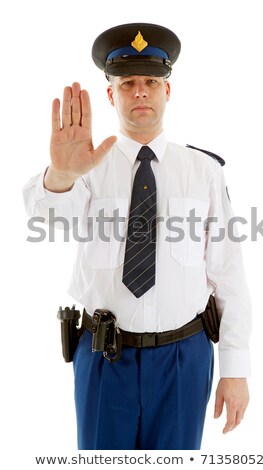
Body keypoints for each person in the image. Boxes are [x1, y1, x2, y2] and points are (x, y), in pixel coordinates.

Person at [23, 22, 251, 450]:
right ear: (111, 95)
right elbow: (49, 221)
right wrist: (62, 175)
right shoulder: (86, 168)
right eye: (128, 83)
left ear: (169, 91)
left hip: (184, 358)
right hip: (103, 358)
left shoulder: (204, 171)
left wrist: (235, 368)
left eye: (151, 81)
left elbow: (228, 273)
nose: (141, 91)